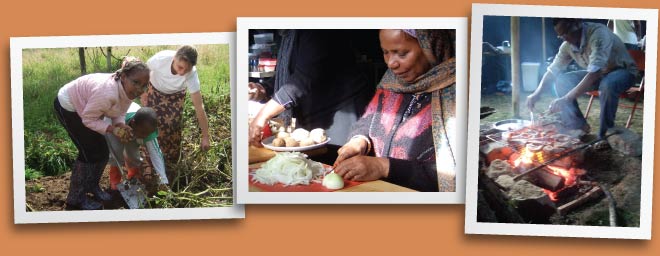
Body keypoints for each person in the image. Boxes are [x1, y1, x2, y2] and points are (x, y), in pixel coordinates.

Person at [332, 29, 457, 192]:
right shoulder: (391, 81)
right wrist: (358, 141)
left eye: (402, 53)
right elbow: (369, 119)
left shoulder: (456, 92)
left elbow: (454, 175)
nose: (392, 63)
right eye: (386, 52)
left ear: (432, 47)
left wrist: (384, 167)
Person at [248, 30, 373, 149]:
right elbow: (288, 74)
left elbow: (303, 79)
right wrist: (263, 90)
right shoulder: (288, 34)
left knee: (338, 162)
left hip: (341, 109)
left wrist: (262, 115)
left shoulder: (314, 29)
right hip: (313, 112)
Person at [526, 18, 638, 149]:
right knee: (562, 80)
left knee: (608, 85)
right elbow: (552, 72)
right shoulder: (567, 46)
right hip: (600, 74)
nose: (564, 38)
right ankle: (578, 126)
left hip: (623, 71)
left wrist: (566, 99)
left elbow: (594, 72)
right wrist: (536, 94)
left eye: (566, 32)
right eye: (560, 35)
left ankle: (604, 135)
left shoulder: (598, 34)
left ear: (577, 23)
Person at [54, 60, 149, 210]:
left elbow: (120, 111)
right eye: (136, 82)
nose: (139, 89)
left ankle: (92, 186)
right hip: (69, 105)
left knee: (102, 152)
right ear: (123, 76)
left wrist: (120, 125)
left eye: (144, 85)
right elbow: (88, 119)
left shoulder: (126, 90)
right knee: (88, 153)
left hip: (88, 108)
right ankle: (75, 199)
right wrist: (112, 129)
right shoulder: (107, 93)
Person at [142, 45, 211, 181]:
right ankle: (148, 164)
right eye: (180, 67)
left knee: (172, 128)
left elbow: (199, 107)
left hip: (175, 96)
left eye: (186, 69)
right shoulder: (160, 59)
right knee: (150, 125)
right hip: (155, 90)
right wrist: (144, 92)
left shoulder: (191, 74)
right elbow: (144, 72)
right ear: (174, 59)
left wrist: (205, 137)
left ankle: (169, 167)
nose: (182, 73)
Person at [106, 102, 168, 192]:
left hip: (133, 131)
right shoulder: (118, 118)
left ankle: (133, 176)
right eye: (143, 133)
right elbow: (108, 136)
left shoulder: (148, 130)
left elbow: (156, 154)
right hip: (115, 126)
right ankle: (115, 179)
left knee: (132, 154)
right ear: (133, 123)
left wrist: (163, 180)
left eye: (148, 134)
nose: (145, 136)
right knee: (116, 151)